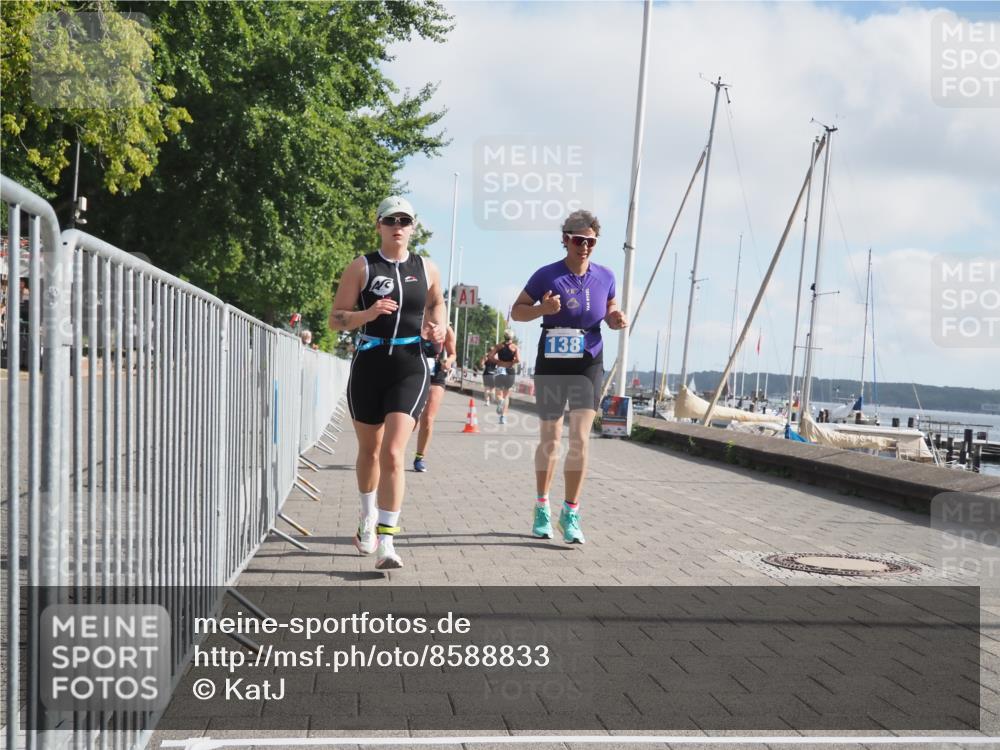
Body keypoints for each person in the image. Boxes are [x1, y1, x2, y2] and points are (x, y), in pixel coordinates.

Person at [328, 195, 446, 570]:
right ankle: (367, 517)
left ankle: (388, 542)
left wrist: (438, 325)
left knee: (394, 453)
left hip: (410, 365)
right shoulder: (362, 267)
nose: (398, 227)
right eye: (391, 220)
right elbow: (335, 319)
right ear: (378, 225)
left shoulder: (426, 268)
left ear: (413, 227)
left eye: (404, 221)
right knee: (370, 451)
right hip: (370, 363)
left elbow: (437, 303)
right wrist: (368, 313)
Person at [510, 210, 627, 544]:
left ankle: (571, 513)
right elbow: (517, 311)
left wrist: (615, 318)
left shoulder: (606, 275)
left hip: (588, 361)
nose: (584, 246)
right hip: (553, 360)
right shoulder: (547, 275)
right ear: (565, 239)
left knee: (580, 438)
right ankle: (542, 507)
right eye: (578, 240)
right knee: (550, 438)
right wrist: (541, 310)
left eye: (591, 241)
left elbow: (609, 309)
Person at [413, 324, 457, 472]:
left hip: (436, 374)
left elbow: (453, 353)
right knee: (410, 419)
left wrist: (448, 361)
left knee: (428, 418)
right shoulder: (415, 320)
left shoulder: (446, 328)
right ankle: (393, 452)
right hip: (413, 373)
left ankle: (419, 457)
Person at [487, 331, 520, 425]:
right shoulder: (515, 347)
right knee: (506, 395)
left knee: (498, 393)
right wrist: (512, 362)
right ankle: (503, 417)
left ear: (504, 336)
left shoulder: (499, 346)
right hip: (510, 370)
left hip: (500, 369)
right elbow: (518, 359)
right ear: (512, 337)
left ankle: (500, 400)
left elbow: (490, 356)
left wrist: (498, 362)